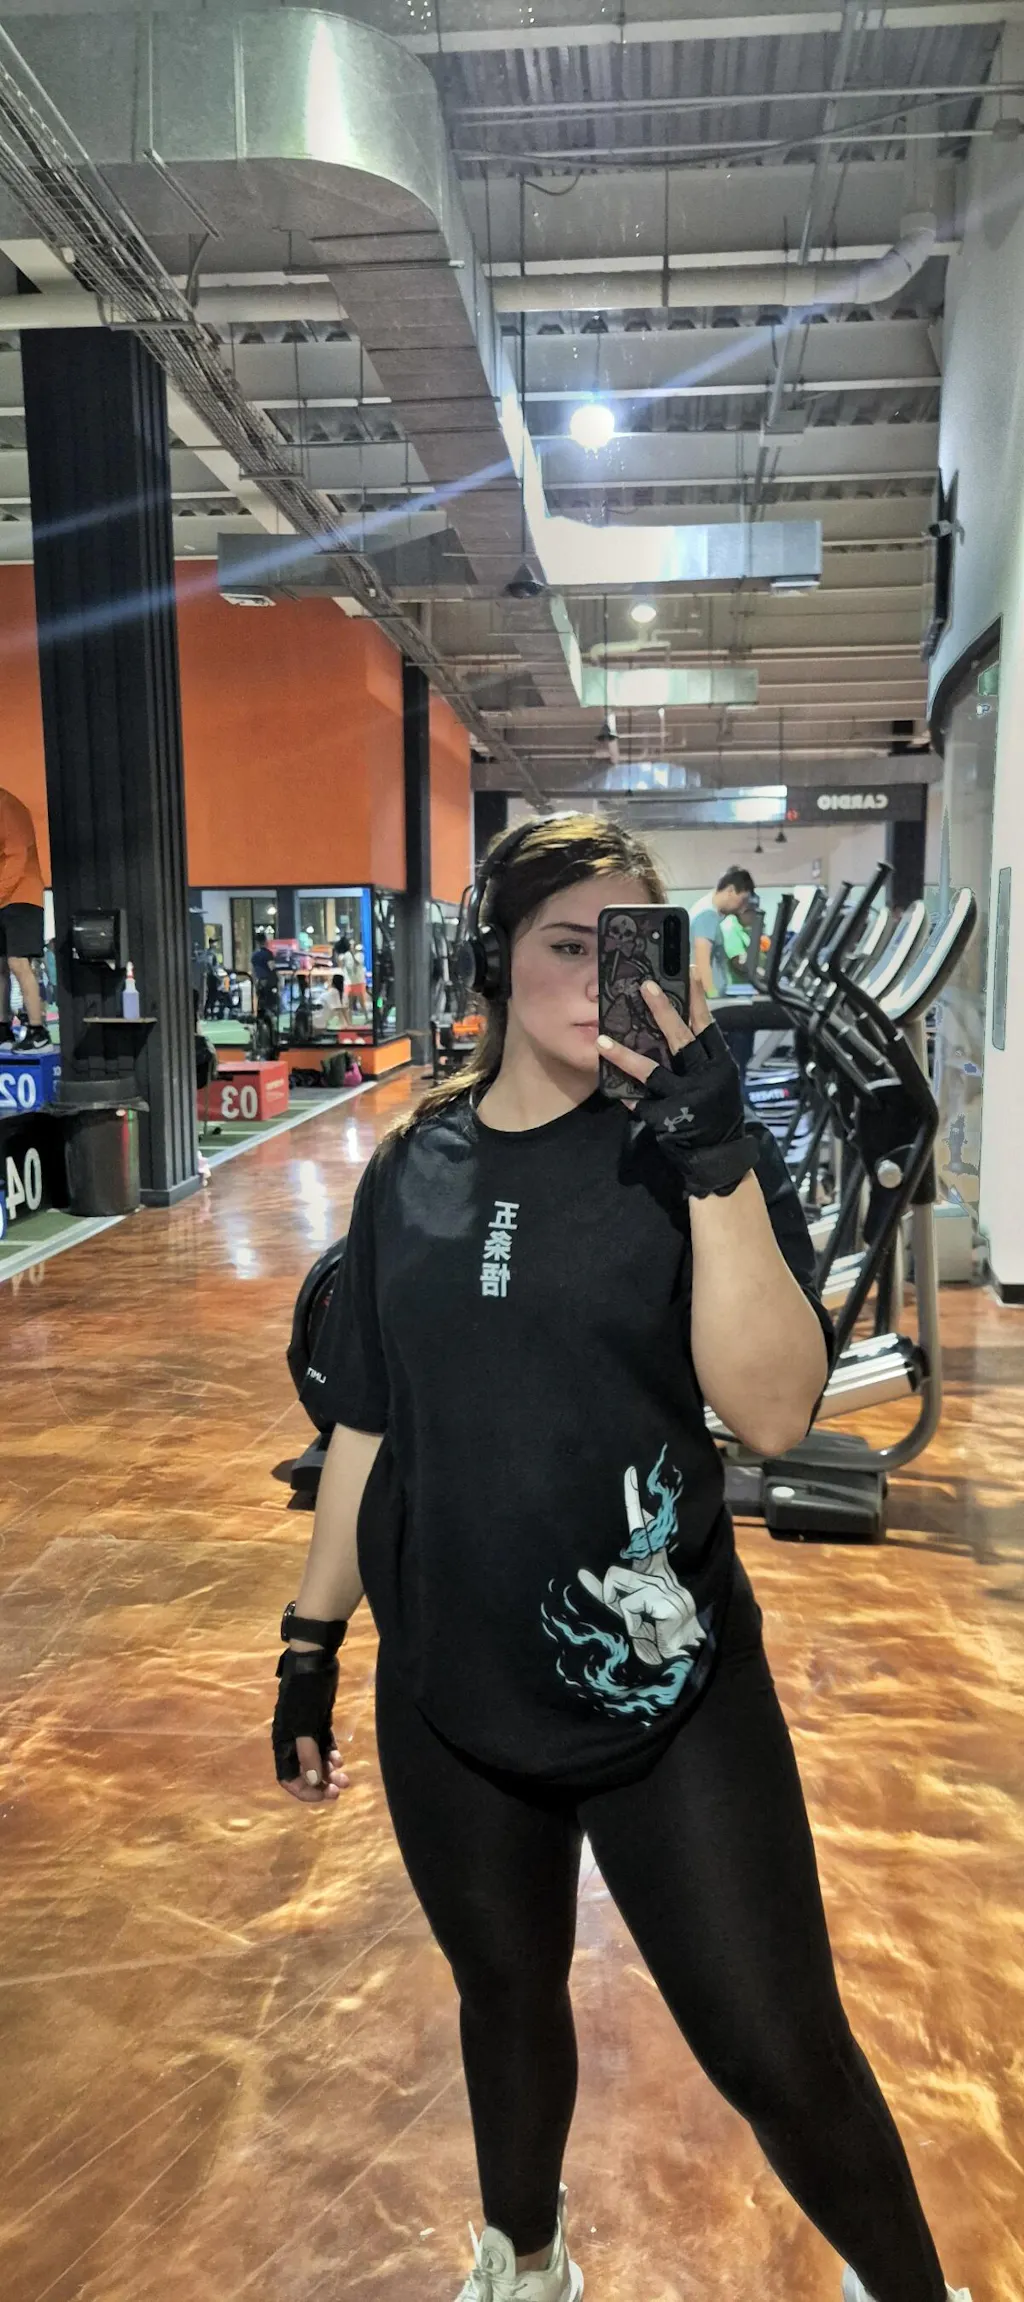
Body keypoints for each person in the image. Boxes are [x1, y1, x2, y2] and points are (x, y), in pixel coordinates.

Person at [270, 815, 969, 2302]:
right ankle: (524, 2262)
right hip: (452, 1685)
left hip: (671, 1694)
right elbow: (368, 1427)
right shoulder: (410, 1170)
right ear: (494, 962)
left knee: (780, 2049)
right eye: (566, 946)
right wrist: (308, 1643)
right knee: (505, 1996)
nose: (604, 982)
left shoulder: (697, 1159)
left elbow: (772, 1413)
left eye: (634, 949)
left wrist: (715, 1159)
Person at [691, 869, 758, 1091]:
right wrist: (713, 1001)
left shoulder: (707, 912)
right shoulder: (707, 915)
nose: (742, 906)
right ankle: (739, 1100)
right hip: (710, 1003)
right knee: (737, 1050)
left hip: (710, 1000)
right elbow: (702, 962)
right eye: (742, 899)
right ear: (730, 891)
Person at [0, 785, 51, 1052]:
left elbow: (17, 855)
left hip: (22, 895)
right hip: (3, 896)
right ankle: (3, 1029)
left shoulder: (7, 805)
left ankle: (37, 1031)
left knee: (18, 962)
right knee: (0, 965)